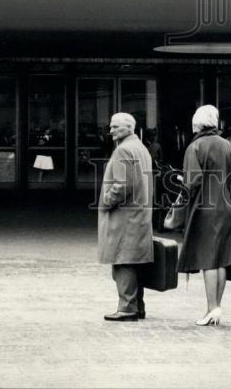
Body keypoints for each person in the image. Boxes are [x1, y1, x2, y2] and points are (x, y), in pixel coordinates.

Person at [178, 104, 231, 327]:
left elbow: (192, 182)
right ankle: (216, 308)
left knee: (208, 260)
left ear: (197, 123)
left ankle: (211, 307)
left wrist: (182, 186)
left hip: (205, 210)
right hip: (227, 209)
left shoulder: (195, 147)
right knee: (222, 259)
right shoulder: (227, 146)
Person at [97, 112, 154, 321]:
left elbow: (122, 185)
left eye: (115, 127)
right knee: (135, 261)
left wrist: (106, 201)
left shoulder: (123, 151)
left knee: (123, 261)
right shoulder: (141, 149)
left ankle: (127, 308)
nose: (110, 130)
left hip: (125, 216)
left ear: (129, 128)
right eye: (110, 126)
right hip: (139, 213)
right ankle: (138, 306)